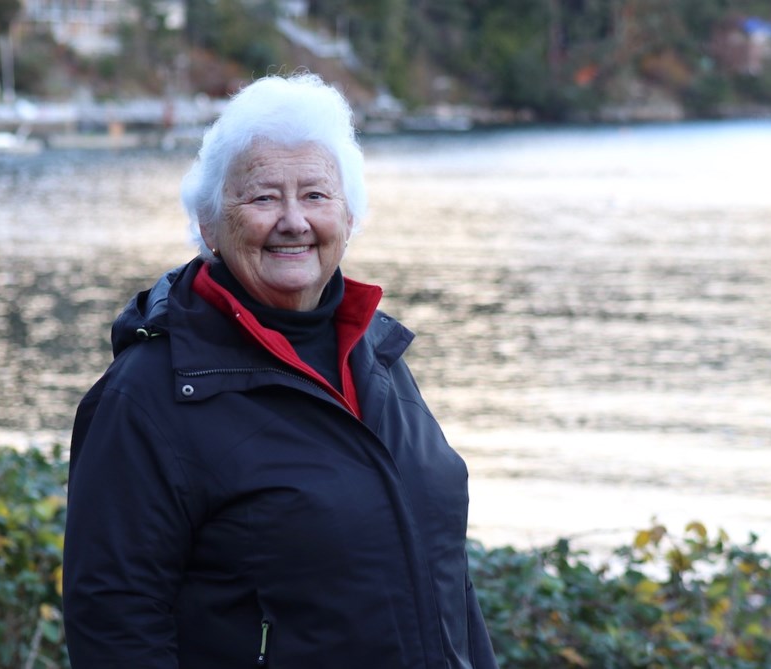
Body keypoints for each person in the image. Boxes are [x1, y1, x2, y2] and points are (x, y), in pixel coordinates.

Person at [62, 72, 499, 669]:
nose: (294, 220)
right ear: (210, 224)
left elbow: (446, 579)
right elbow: (114, 624)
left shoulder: (377, 353)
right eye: (264, 197)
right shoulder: (146, 395)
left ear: (348, 218)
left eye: (316, 196)